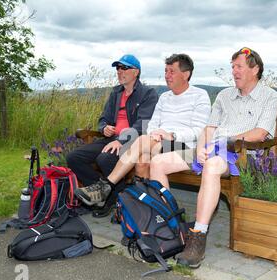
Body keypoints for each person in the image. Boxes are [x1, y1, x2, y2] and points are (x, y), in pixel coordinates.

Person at [149, 47, 277, 268]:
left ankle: (197, 237)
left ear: (255, 69)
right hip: (212, 148)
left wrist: (223, 143)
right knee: (157, 162)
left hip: (242, 154)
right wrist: (201, 147)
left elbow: (259, 133)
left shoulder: (269, 96)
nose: (234, 72)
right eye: (233, 67)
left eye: (238, 67)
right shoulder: (224, 95)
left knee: (211, 165)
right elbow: (208, 128)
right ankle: (171, 227)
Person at [74, 53, 212, 207]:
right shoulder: (164, 97)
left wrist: (171, 135)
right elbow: (152, 123)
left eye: (171, 71)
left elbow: (200, 130)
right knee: (141, 161)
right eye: (166, 71)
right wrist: (156, 134)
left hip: (184, 146)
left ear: (186, 74)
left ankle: (106, 186)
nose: (167, 75)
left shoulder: (199, 95)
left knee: (143, 142)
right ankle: (147, 208)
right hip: (158, 143)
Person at [66, 54, 158, 217]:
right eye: (118, 68)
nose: (119, 72)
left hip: (133, 142)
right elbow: (103, 118)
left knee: (105, 158)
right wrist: (104, 128)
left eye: (124, 68)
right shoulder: (116, 93)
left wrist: (121, 140)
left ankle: (109, 201)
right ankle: (103, 194)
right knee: (74, 157)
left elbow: (143, 124)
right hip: (110, 139)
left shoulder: (147, 94)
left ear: (136, 72)